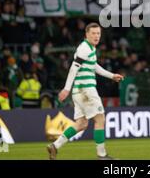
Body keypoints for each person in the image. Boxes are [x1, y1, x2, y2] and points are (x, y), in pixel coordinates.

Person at [47, 23, 124, 160]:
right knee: (100, 119)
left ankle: (55, 145)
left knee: (81, 124)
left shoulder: (90, 49)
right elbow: (73, 68)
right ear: (86, 34)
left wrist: (112, 76)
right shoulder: (84, 48)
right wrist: (66, 88)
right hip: (86, 90)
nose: (96, 36)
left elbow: (94, 67)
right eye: (93, 33)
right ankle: (102, 155)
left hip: (79, 91)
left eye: (98, 33)